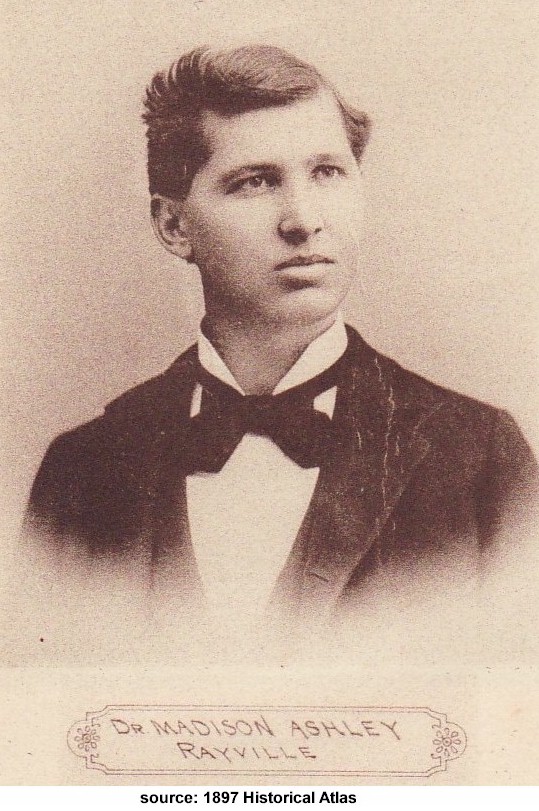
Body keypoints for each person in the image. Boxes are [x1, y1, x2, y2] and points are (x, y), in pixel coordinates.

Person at [20, 45, 538, 661]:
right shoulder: (82, 469)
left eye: (327, 172)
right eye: (255, 182)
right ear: (174, 227)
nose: (303, 220)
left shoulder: (481, 456)